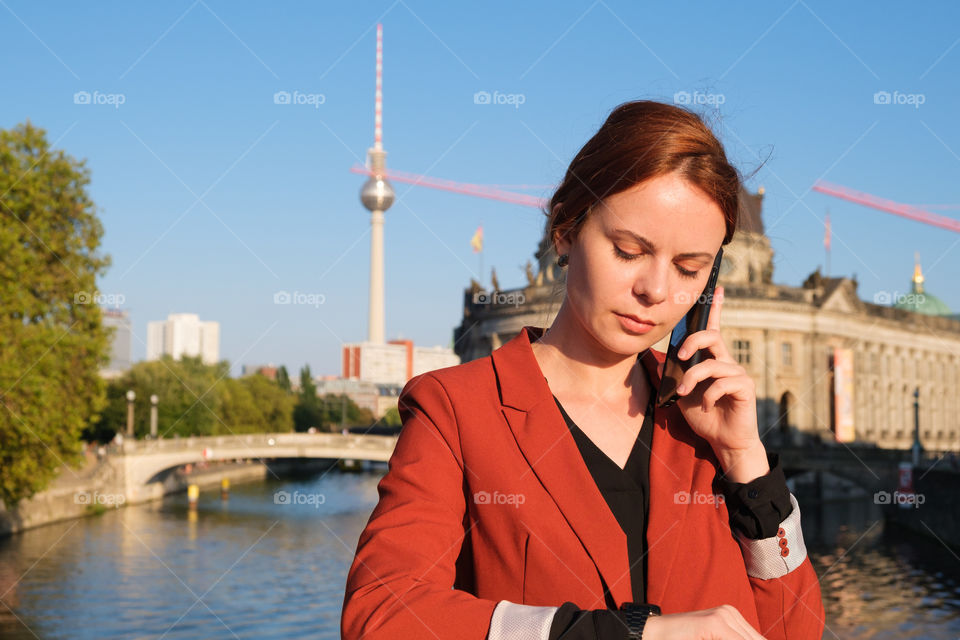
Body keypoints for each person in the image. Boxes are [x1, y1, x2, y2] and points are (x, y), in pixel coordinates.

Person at [341, 100, 825, 640]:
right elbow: (381, 617)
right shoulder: (455, 410)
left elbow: (794, 630)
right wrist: (633, 634)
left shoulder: (701, 414)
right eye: (627, 251)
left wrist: (746, 462)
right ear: (566, 231)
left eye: (690, 268)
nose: (657, 291)